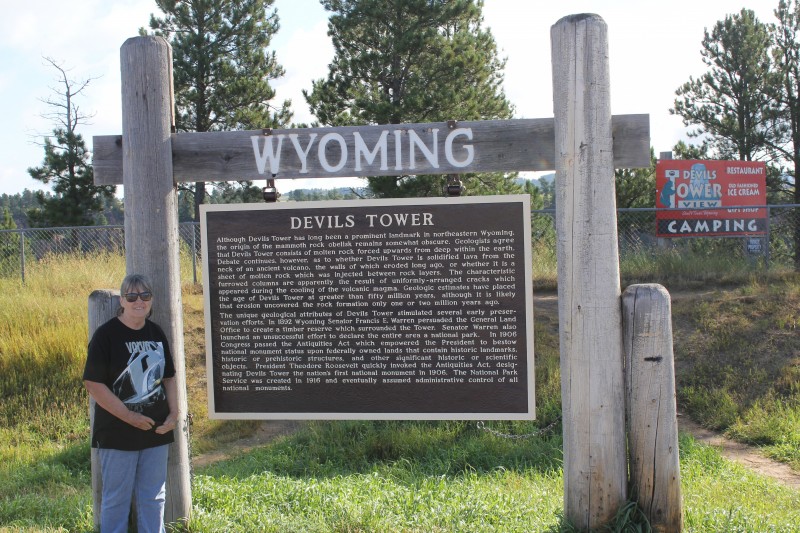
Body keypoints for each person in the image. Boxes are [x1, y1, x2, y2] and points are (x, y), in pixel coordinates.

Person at [83, 274, 178, 533]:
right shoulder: (106, 335)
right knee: (116, 500)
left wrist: (174, 414)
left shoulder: (156, 332)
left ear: (151, 300)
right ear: (122, 301)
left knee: (154, 497)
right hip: (117, 433)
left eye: (145, 296)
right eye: (132, 296)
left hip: (155, 430)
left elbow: (169, 377)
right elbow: (93, 384)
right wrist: (129, 416)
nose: (139, 301)